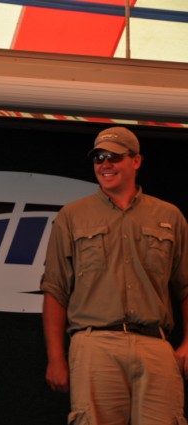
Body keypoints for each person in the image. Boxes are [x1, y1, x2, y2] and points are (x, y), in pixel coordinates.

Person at [41, 126, 188, 425]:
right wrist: (56, 358)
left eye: (114, 157)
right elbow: (55, 290)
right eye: (99, 158)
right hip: (95, 345)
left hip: (156, 346)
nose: (105, 164)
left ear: (136, 161)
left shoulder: (169, 216)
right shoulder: (72, 216)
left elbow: (185, 286)